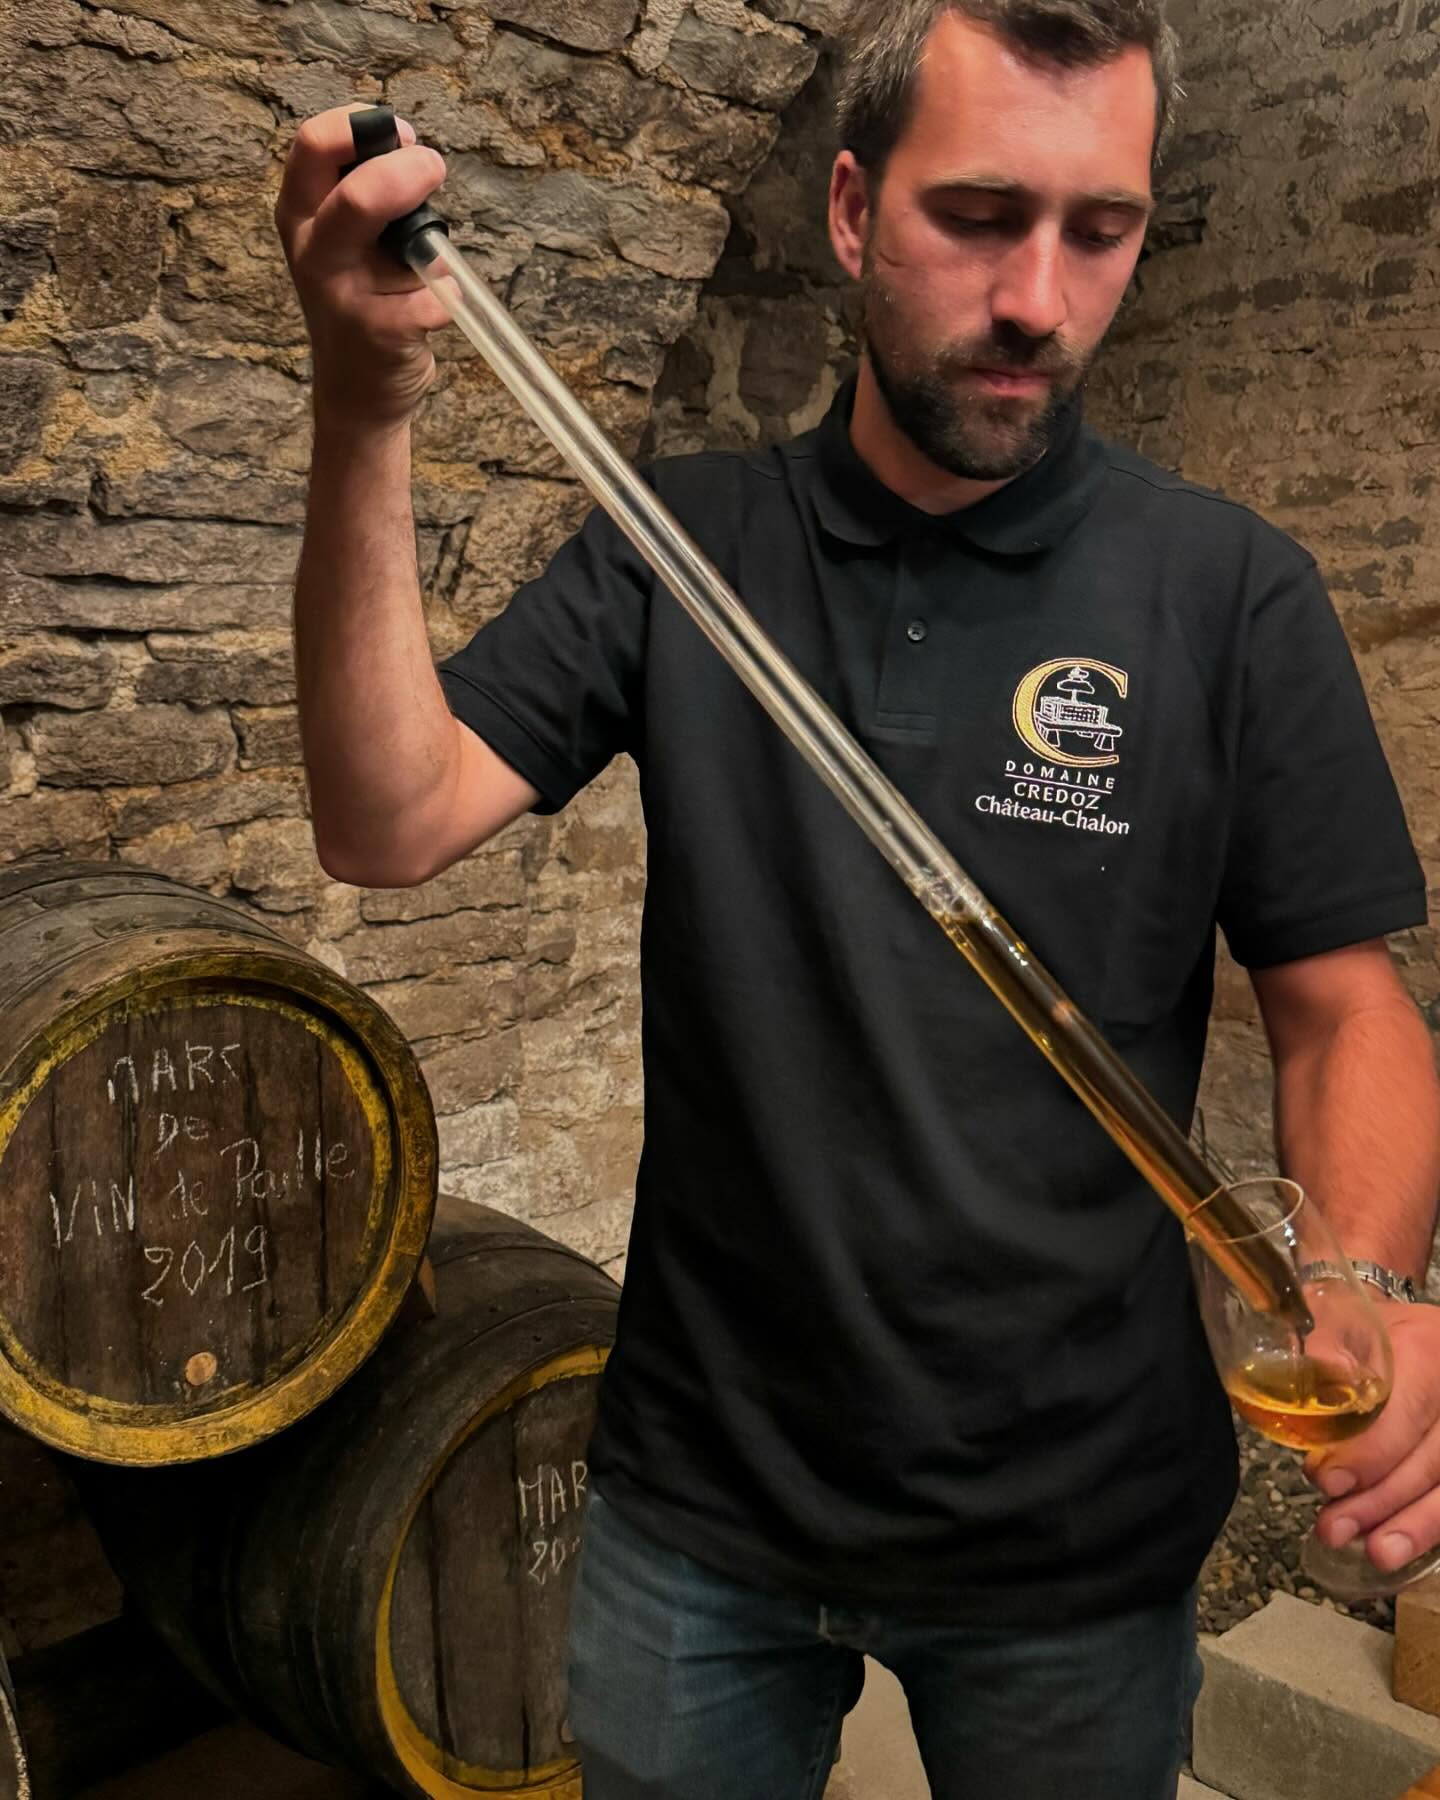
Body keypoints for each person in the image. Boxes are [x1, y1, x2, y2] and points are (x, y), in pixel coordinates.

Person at [275, 2, 1440, 1794]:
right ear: (847, 211)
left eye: (1100, 229)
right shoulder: (679, 547)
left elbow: (1343, 1005)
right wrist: (365, 410)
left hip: (1077, 1539)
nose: (1041, 299)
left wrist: (1360, 1276)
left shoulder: (1231, 596)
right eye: (979, 216)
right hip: (704, 1510)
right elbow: (386, 817)